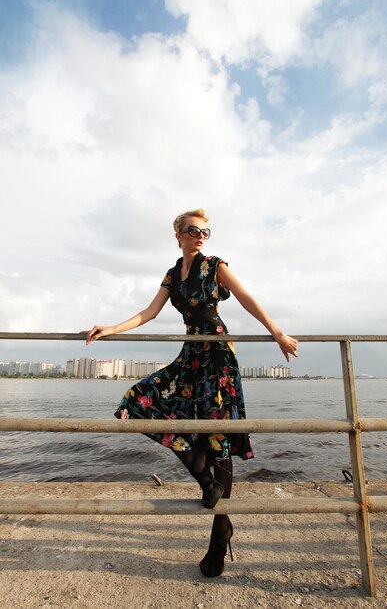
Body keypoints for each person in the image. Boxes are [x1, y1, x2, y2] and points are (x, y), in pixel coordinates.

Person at [85, 208, 298, 578]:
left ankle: (219, 538)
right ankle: (207, 483)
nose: (200, 235)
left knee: (219, 439)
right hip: (190, 356)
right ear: (179, 235)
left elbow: (245, 297)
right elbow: (149, 313)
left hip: (217, 355)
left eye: (205, 231)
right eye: (193, 230)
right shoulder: (173, 274)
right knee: (138, 402)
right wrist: (113, 329)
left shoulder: (214, 265)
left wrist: (277, 331)